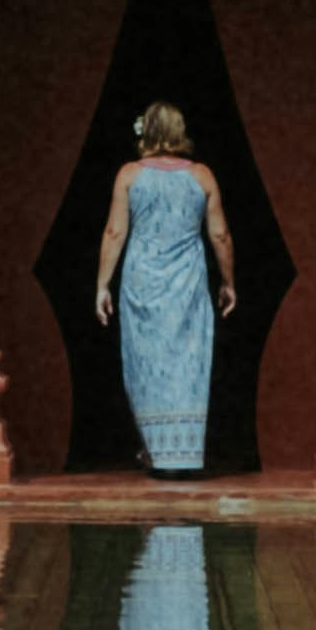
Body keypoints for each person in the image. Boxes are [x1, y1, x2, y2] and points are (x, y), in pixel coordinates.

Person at [94, 100, 236, 475]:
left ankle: (154, 451)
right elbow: (220, 234)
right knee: (187, 363)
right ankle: (183, 453)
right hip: (187, 284)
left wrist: (101, 285)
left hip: (142, 282)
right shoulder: (202, 176)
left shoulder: (129, 175)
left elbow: (114, 231)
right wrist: (228, 281)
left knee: (145, 363)